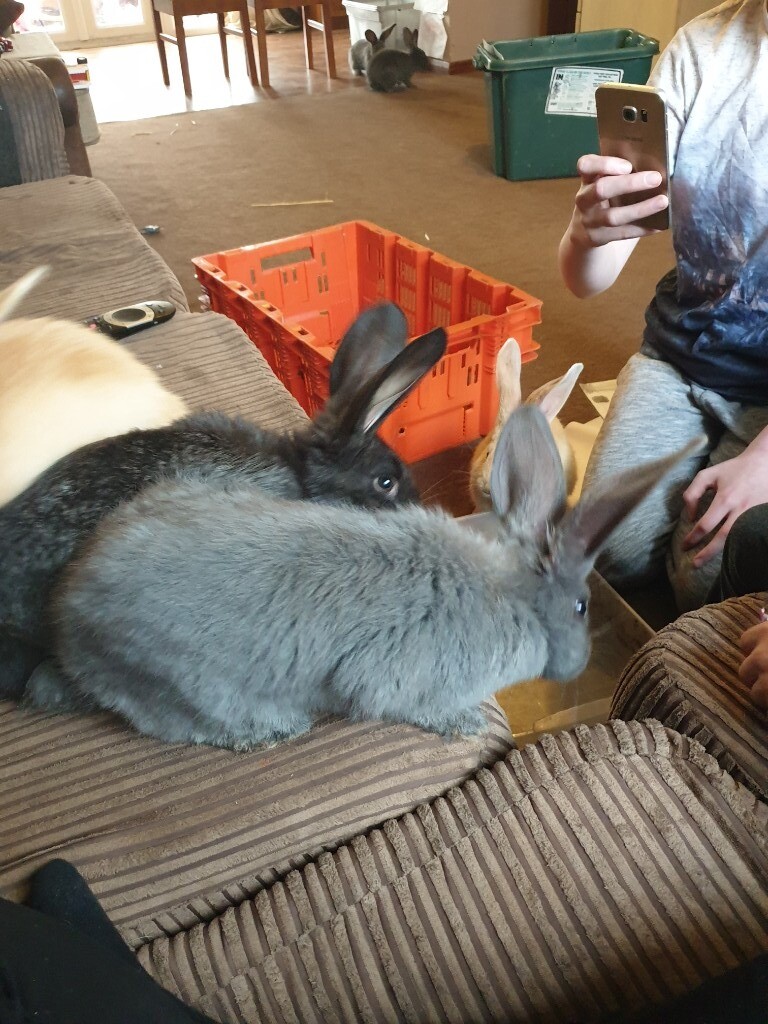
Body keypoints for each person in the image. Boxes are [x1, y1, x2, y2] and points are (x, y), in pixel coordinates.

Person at [558, 0, 768, 612]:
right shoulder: (700, 49)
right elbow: (586, 279)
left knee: (706, 580)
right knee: (602, 552)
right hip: (682, 353)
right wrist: (586, 232)